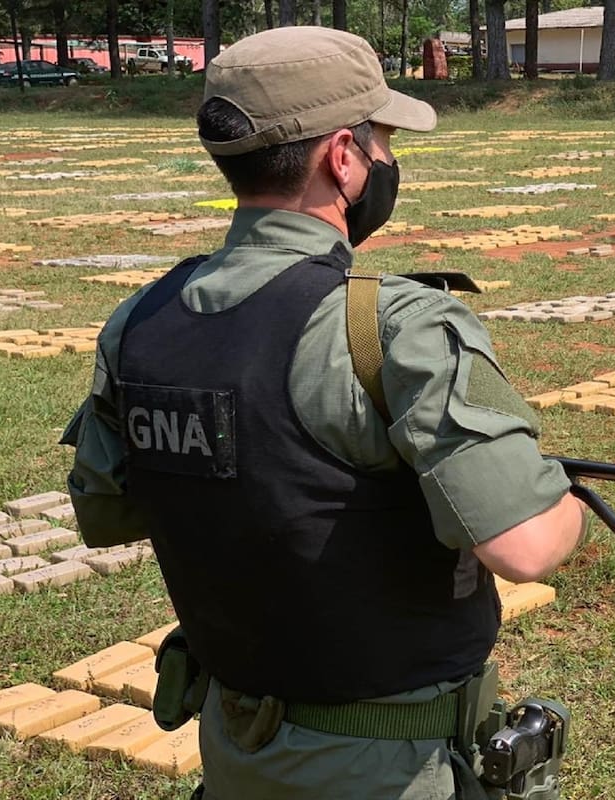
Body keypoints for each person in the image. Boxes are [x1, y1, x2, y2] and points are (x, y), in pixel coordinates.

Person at [62, 26, 586, 800]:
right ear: (343, 157)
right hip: (392, 767)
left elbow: (108, 510)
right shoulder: (394, 327)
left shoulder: (140, 320)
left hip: (235, 749)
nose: (386, 162)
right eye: (380, 141)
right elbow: (526, 546)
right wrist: (565, 499)